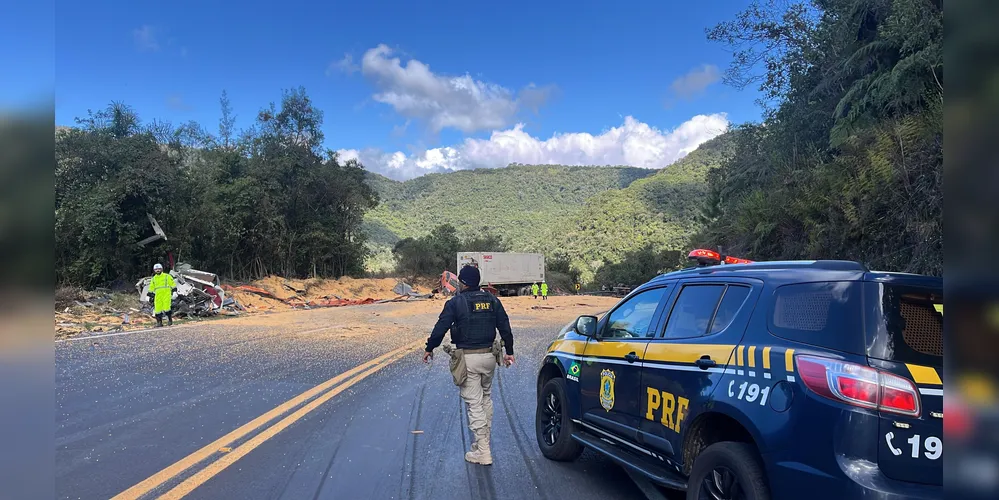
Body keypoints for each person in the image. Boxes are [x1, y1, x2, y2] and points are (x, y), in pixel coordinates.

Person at [423, 265, 515, 466]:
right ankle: (481, 444)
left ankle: (483, 452)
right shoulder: (493, 300)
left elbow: (441, 328)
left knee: (474, 404)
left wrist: (430, 348)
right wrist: (509, 351)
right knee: (486, 399)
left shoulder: (455, 303)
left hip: (468, 359)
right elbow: (505, 326)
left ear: (462, 283)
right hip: (490, 357)